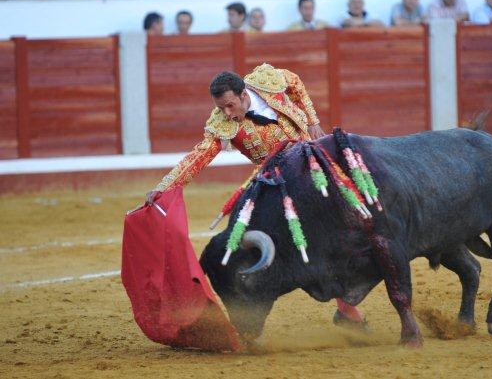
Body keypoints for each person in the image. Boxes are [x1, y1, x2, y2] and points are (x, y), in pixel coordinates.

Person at [144, 64, 368, 330]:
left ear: (243, 94)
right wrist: (165, 187)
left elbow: (294, 82)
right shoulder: (222, 124)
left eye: (230, 106)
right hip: (281, 184)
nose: (226, 113)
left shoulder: (267, 80)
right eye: (221, 108)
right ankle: (343, 311)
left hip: (316, 165)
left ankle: (346, 307)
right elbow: (198, 156)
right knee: (313, 239)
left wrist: (313, 121)